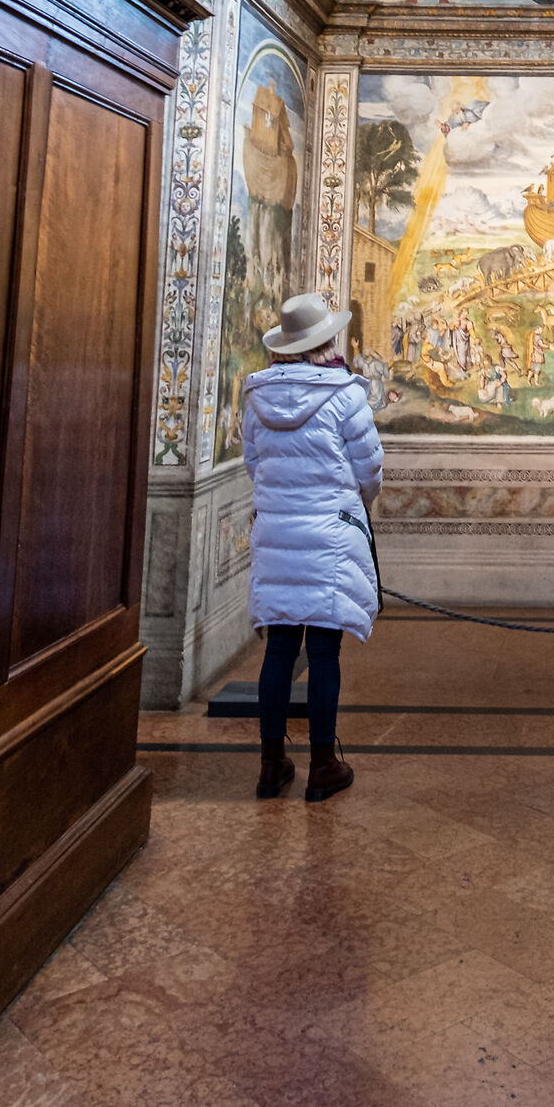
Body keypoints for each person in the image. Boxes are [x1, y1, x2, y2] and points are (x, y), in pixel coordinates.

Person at [242, 290, 384, 804]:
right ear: (325, 342)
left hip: (278, 533)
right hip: (329, 535)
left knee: (279, 648)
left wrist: (283, 503)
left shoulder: (256, 396)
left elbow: (255, 465)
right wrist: (349, 502)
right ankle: (323, 764)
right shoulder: (347, 394)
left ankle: (270, 764)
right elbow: (369, 470)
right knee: (324, 651)